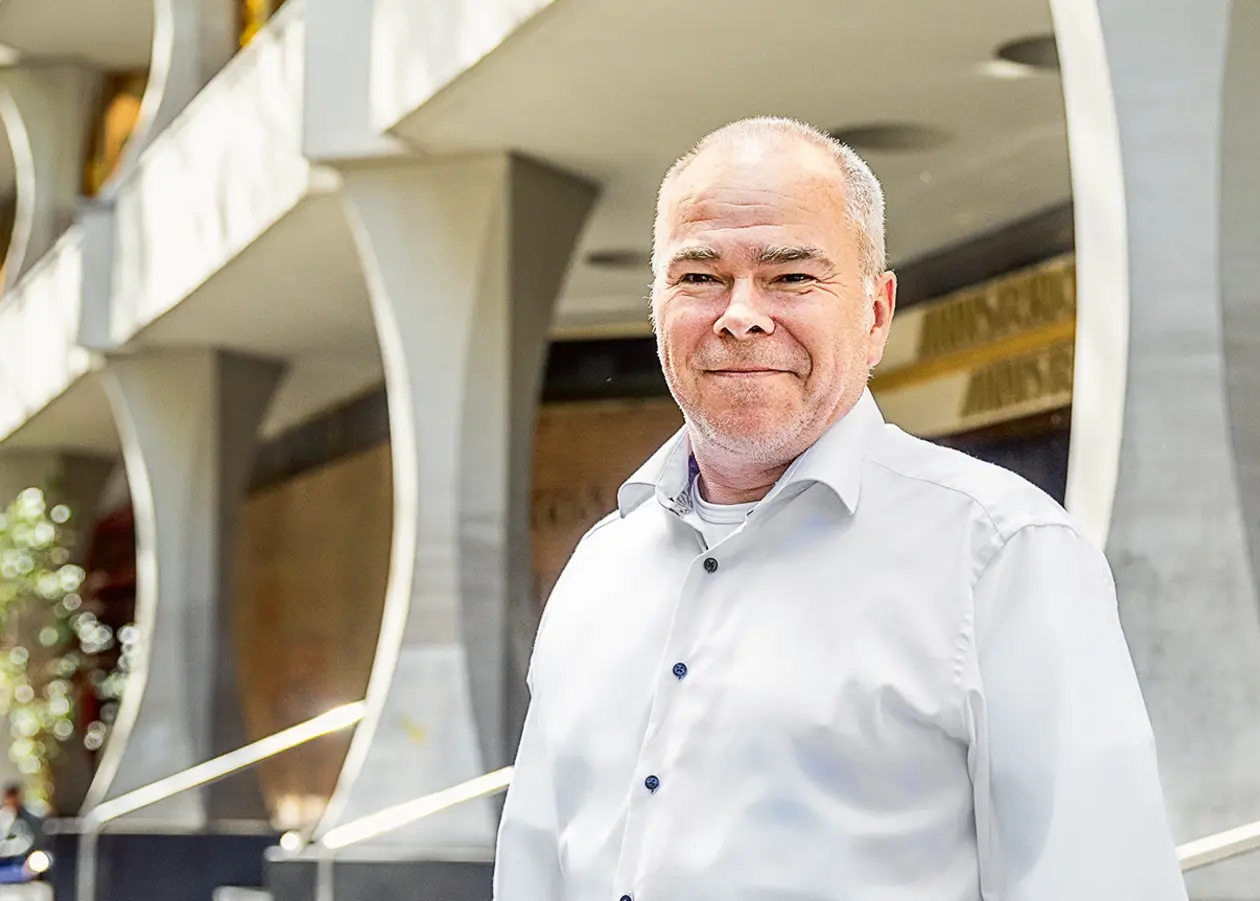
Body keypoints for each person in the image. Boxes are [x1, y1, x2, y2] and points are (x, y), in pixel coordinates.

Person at [494, 117, 1189, 900]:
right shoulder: (600, 570)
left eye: (791, 277)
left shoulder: (1000, 554)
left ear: (876, 312)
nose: (740, 313)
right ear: (657, 304)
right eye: (700, 276)